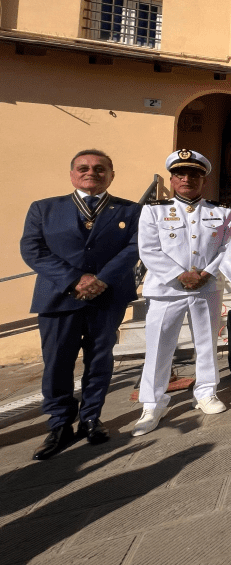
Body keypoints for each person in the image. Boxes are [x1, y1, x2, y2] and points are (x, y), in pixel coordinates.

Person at [20, 150, 142, 460]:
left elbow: (134, 248)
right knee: (58, 363)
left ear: (111, 175)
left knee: (100, 360)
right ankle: (59, 424)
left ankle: (91, 417)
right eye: (83, 168)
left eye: (101, 169)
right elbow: (33, 250)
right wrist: (75, 280)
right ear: (72, 174)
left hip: (107, 296)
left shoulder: (129, 211)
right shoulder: (45, 209)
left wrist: (102, 279)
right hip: (59, 297)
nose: (92, 172)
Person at [132, 151, 231, 436]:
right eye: (180, 174)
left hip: (207, 286)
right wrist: (180, 274)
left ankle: (206, 392)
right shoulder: (154, 211)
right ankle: (152, 403)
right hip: (167, 288)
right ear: (172, 179)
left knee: (206, 341)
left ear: (203, 179)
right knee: (159, 346)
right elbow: (148, 249)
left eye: (194, 174)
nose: (187, 179)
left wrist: (206, 273)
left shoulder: (221, 212)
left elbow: (228, 247)